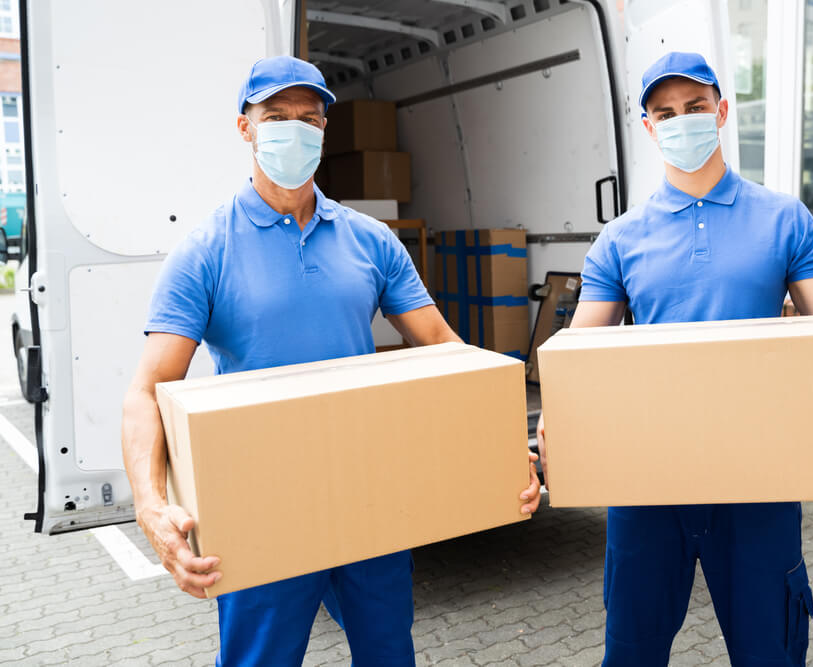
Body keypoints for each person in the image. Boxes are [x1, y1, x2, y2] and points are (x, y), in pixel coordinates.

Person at [121, 55, 542, 666]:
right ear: (245, 127)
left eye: (309, 119)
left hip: (369, 488)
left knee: (388, 651)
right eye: (276, 117)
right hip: (256, 500)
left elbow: (445, 351)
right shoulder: (204, 251)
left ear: (324, 131)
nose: (294, 130)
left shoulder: (370, 240)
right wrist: (151, 506)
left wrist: (502, 445)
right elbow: (148, 389)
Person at [536, 51, 813, 666]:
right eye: (665, 113)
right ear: (649, 129)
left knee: (769, 652)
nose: (681, 122)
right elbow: (577, 357)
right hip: (648, 484)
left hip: (757, 481)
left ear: (722, 111)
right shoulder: (621, 238)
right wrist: (551, 433)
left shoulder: (785, 220)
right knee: (631, 652)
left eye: (695, 108)